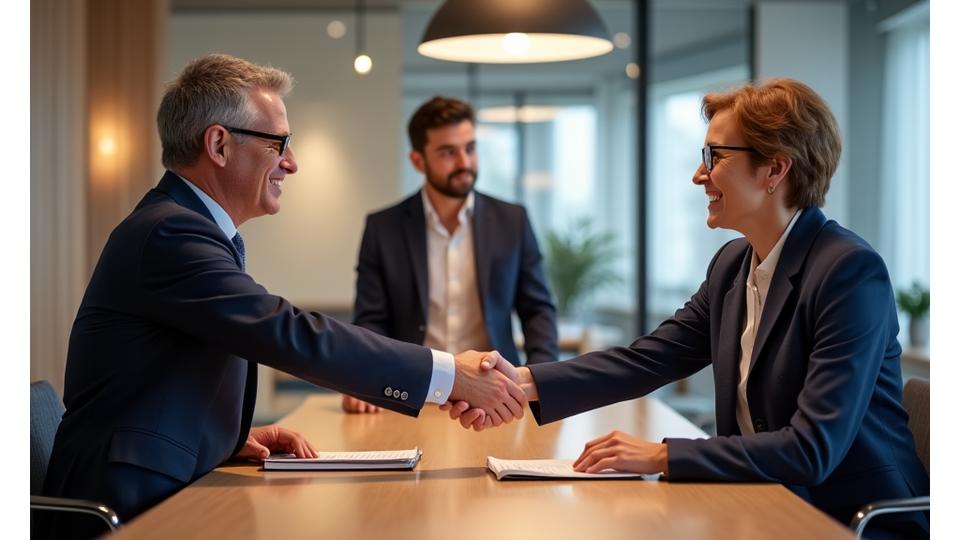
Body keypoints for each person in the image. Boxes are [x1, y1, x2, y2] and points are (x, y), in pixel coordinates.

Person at [39, 54, 524, 539]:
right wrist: (446, 376)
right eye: (279, 144)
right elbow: (284, 333)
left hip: (152, 483)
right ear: (219, 144)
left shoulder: (188, 227)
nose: (290, 162)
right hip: (124, 504)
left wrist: (227, 439)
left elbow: (166, 379)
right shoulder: (171, 233)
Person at [446, 79, 929, 539]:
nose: (700, 174)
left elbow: (811, 449)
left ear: (775, 170)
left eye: (714, 156)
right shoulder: (733, 264)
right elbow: (648, 359)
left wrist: (661, 456)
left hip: (851, 519)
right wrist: (520, 382)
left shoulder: (848, 273)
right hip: (764, 504)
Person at [342, 96, 558, 413]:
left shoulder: (512, 220)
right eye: (448, 152)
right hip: (412, 394)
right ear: (418, 160)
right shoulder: (383, 227)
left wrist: (540, 381)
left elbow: (537, 309)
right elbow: (371, 319)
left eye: (470, 148)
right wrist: (365, 379)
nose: (464, 163)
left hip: (497, 397)